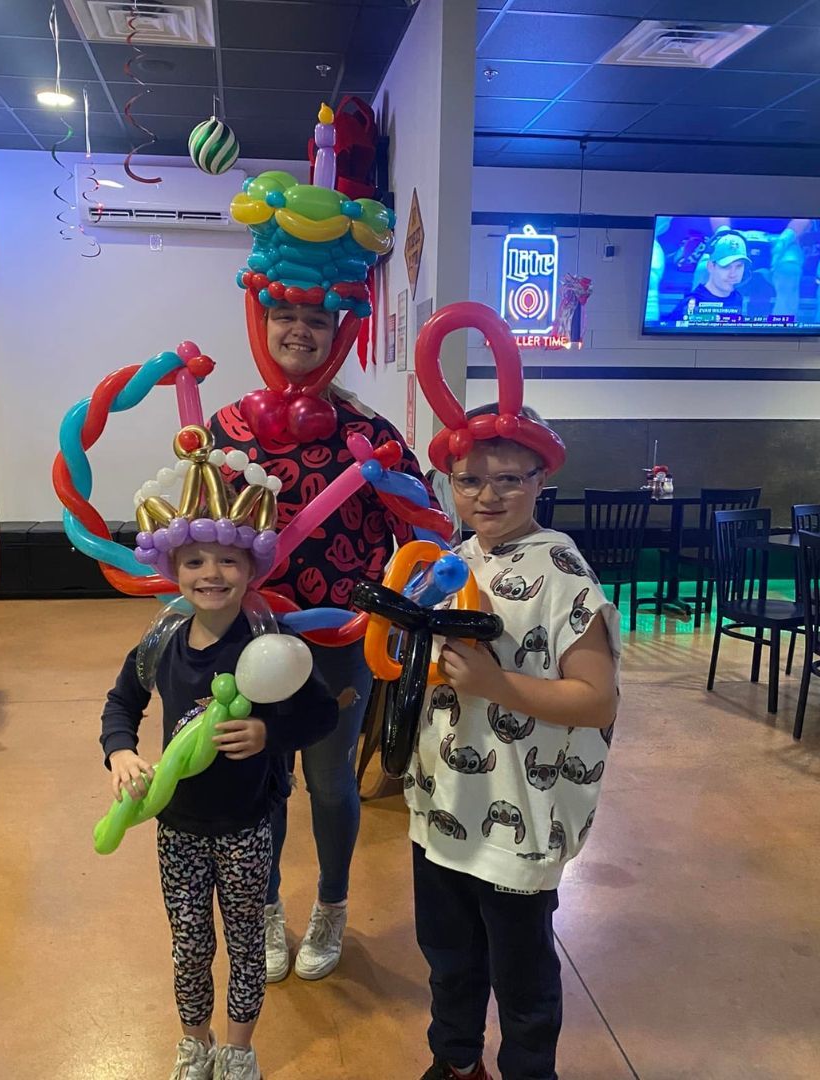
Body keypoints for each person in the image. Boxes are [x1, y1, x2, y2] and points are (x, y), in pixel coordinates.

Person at [213, 133, 422, 984]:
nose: (298, 330)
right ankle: (264, 914)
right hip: (248, 640)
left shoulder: (373, 433)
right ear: (263, 320)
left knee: (332, 783)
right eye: (284, 315)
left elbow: (424, 531)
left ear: (337, 330)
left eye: (315, 317)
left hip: (339, 641)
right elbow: (195, 535)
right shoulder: (223, 427)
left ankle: (331, 906)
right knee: (259, 784)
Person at [101, 463, 338, 1080]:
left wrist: (270, 733)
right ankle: (194, 1042)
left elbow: (318, 715)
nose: (212, 574)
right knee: (189, 946)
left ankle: (238, 1048)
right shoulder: (162, 641)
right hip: (176, 825)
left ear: (253, 567)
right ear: (173, 571)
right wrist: (121, 751)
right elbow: (121, 702)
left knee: (245, 944)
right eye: (196, 562)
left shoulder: (272, 640)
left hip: (246, 826)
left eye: (229, 561)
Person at [406, 399, 619, 1080]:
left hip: (518, 816)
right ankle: (456, 1061)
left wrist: (497, 687)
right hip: (444, 806)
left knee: (522, 979)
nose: (487, 495)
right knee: (448, 957)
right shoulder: (451, 563)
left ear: (540, 481)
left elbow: (596, 700)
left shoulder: (561, 571)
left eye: (509, 479)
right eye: (469, 480)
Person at [667, 230, 757, 323]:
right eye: (726, 266)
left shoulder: (737, 298)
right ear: (711, 266)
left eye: (739, 266)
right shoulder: (692, 304)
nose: (733, 274)